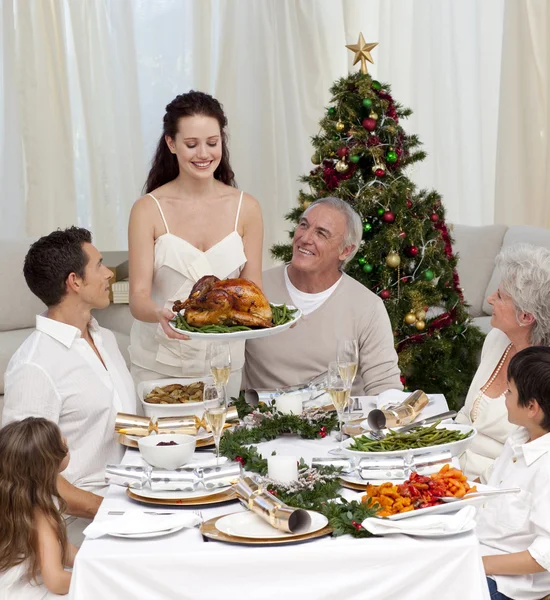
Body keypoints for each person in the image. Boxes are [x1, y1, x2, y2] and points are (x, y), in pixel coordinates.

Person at [3, 228, 136, 546]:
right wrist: (108, 510)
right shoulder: (34, 366)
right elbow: (28, 478)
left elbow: (120, 424)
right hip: (77, 528)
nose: (109, 274)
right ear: (74, 281)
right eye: (100, 265)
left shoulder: (105, 338)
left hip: (131, 497)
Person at [128, 90, 263, 397]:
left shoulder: (248, 208)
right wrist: (158, 313)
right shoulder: (147, 210)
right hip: (159, 366)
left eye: (212, 143)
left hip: (225, 364)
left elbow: (252, 289)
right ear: (171, 144)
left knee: (221, 443)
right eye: (192, 144)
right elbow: (137, 297)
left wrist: (275, 318)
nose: (204, 154)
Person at [243, 197, 402, 396]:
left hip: (336, 423)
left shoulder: (367, 307)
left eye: (321, 233)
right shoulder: (255, 289)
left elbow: (385, 387)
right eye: (303, 225)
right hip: (261, 420)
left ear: (345, 250)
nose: (305, 238)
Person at [456, 244, 550, 481]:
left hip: (495, 485)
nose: (489, 299)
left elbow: (526, 458)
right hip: (453, 466)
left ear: (526, 316)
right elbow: (466, 416)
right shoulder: (497, 338)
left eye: (499, 296)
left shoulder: (543, 374)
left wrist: (463, 489)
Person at [477, 346, 550, 600]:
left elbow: (544, 555)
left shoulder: (546, 467)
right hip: (477, 550)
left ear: (532, 407)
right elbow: (491, 480)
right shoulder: (521, 436)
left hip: (507, 583)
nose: (504, 398)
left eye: (509, 391)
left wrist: (478, 563)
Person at [0, 417, 78, 598]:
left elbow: (60, 548)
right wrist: (92, 577)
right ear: (49, 463)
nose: (66, 441)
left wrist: (91, 561)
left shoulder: (14, 502)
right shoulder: (41, 514)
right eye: (62, 444)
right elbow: (56, 580)